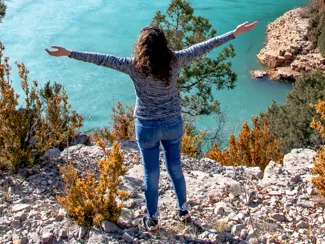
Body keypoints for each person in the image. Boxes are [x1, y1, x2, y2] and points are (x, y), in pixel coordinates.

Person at [46, 20, 258, 231]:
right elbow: (204, 47)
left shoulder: (132, 66)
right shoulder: (176, 61)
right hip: (172, 124)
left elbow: (101, 59)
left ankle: (153, 219)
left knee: (151, 173)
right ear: (164, 44)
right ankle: (183, 212)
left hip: (146, 126)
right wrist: (234, 33)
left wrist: (69, 53)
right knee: (175, 167)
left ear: (141, 46)